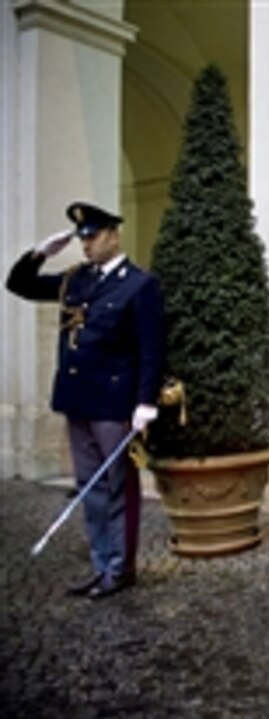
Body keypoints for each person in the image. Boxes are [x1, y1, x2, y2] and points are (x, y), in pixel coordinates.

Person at [6, 202, 165, 599]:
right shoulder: (76, 279)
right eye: (82, 238)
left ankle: (120, 568)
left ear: (114, 234)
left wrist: (145, 401)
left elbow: (151, 349)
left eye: (92, 236)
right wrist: (42, 253)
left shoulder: (139, 284)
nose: (86, 245)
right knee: (89, 488)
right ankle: (101, 564)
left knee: (117, 487)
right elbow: (19, 285)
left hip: (114, 403)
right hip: (77, 400)